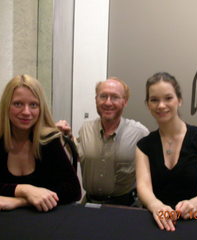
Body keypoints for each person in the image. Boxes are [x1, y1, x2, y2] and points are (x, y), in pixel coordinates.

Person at [0, 74, 81, 212]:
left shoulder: (49, 141)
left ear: (41, 109)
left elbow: (73, 190)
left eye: (33, 105)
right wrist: (23, 189)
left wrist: (19, 201)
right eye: (18, 104)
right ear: (6, 107)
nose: (26, 112)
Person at [136, 72, 197, 231]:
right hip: (158, 222)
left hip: (196, 220)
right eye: (154, 100)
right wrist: (156, 205)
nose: (161, 105)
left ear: (179, 100)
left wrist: (194, 204)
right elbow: (143, 187)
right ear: (147, 104)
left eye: (168, 98)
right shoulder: (144, 146)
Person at [58, 77, 149, 206]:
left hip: (125, 207)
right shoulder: (85, 129)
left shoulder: (140, 133)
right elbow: (78, 156)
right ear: (96, 100)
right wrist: (65, 138)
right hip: (89, 205)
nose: (108, 102)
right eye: (103, 96)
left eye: (115, 97)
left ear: (125, 101)